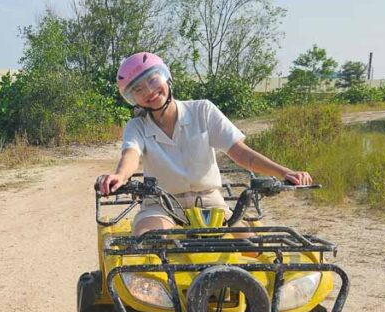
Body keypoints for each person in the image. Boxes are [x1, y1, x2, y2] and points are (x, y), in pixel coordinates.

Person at [96, 52, 312, 236]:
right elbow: (130, 156)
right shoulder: (137, 126)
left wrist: (284, 172)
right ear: (132, 98)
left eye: (152, 80)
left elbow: (240, 152)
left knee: (252, 250)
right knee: (149, 245)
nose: (149, 92)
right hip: (160, 206)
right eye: (138, 89)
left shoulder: (202, 110)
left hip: (211, 203)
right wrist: (119, 176)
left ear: (166, 77)